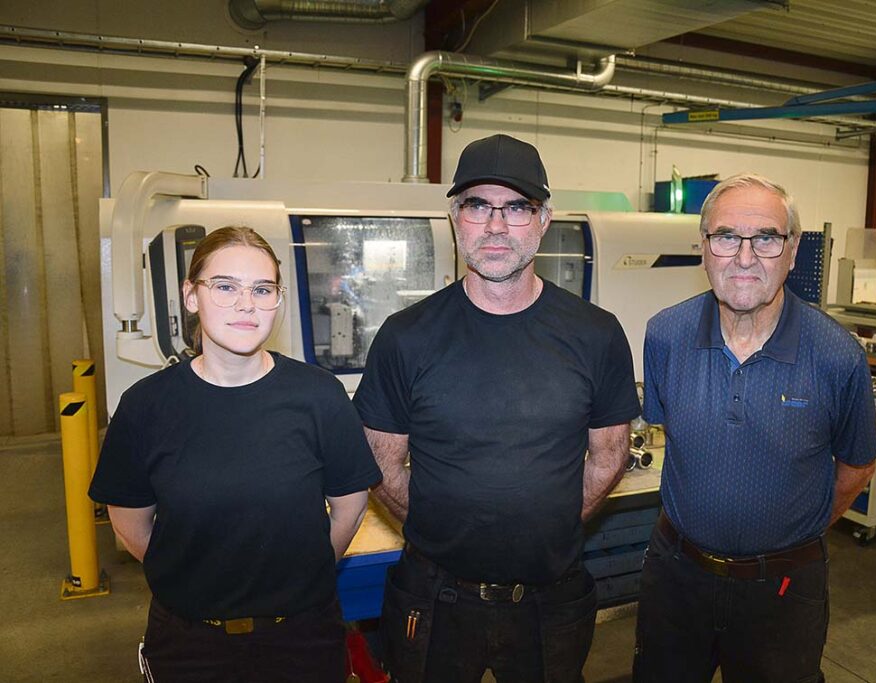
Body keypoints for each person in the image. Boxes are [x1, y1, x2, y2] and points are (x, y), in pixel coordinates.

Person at [353, 133, 640, 683]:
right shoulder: (406, 337)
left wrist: (548, 524)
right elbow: (381, 464)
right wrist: (445, 529)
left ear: (544, 220)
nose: (496, 225)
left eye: (516, 207)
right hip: (434, 599)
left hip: (549, 601)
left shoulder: (596, 335)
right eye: (478, 205)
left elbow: (609, 457)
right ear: (454, 219)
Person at [89, 226, 382, 683]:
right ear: (191, 296)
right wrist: (192, 582)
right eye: (225, 287)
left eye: (262, 289)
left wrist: (298, 584)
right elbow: (130, 523)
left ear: (277, 300)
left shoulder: (319, 396)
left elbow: (349, 508)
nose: (247, 304)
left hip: (303, 641)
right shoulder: (146, 406)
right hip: (189, 645)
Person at [633, 173, 876, 683]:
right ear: (704, 248)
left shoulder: (838, 356)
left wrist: (790, 535)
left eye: (766, 238)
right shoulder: (665, 335)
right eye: (726, 237)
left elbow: (858, 466)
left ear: (792, 250)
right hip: (676, 580)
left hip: (784, 592)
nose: (744, 258)